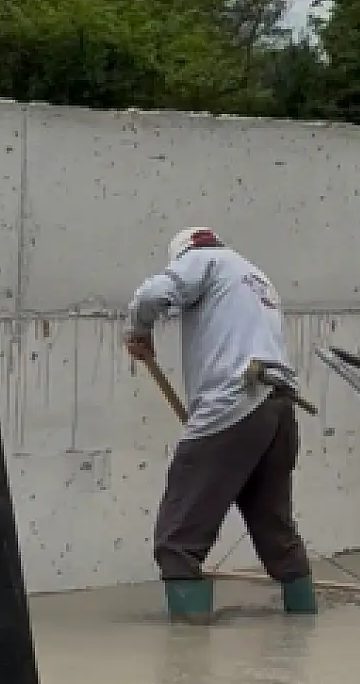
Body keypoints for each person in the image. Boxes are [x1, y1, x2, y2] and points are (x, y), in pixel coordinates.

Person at [124, 227, 315, 624]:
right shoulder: (256, 277)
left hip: (235, 401)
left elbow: (151, 296)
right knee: (274, 528)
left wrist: (138, 330)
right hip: (279, 407)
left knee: (178, 537)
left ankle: (186, 656)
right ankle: (302, 620)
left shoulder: (202, 261)